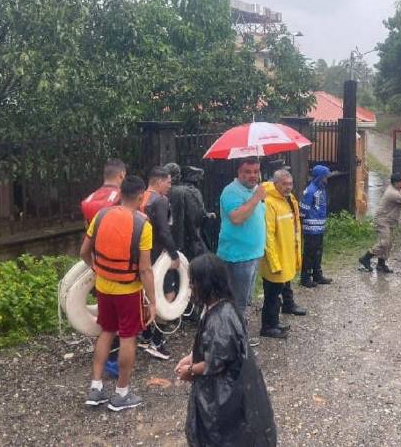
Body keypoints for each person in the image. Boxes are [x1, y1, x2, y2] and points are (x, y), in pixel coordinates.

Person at [178, 254, 276, 447]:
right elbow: (214, 348)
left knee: (223, 436)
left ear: (206, 284)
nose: (190, 286)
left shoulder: (220, 319)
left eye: (193, 282)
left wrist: (189, 371)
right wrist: (191, 357)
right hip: (235, 385)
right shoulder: (223, 307)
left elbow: (216, 362)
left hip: (226, 394)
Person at [81, 175, 157, 412]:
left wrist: (97, 269)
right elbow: (145, 269)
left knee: (106, 332)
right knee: (127, 336)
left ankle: (95, 388)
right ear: (141, 195)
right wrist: (153, 302)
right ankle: (121, 393)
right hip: (128, 291)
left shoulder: (101, 215)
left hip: (104, 287)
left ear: (120, 193)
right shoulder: (143, 224)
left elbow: (83, 251)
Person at [80, 158, 126, 377]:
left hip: (100, 265)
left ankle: (105, 355)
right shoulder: (119, 199)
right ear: (122, 176)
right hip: (121, 266)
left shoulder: (88, 200)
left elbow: (87, 236)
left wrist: (93, 265)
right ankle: (116, 360)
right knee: (122, 319)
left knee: (106, 315)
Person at [258, 170, 307, 339]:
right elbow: (268, 236)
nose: (288, 187)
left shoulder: (289, 199)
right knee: (271, 295)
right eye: (284, 184)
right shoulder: (269, 203)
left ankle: (275, 322)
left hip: (286, 254)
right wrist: (274, 262)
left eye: (290, 184)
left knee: (279, 290)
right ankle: (268, 327)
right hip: (276, 258)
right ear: (275, 183)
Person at [139, 166, 181, 360]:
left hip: (142, 254)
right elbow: (164, 231)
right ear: (159, 181)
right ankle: (157, 341)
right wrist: (174, 255)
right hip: (158, 254)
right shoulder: (160, 200)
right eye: (169, 182)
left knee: (147, 295)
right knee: (168, 295)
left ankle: (145, 335)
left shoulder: (141, 198)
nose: (170, 186)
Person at [217, 158, 267, 320]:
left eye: (256, 171)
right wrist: (256, 198)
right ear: (238, 172)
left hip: (253, 253)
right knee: (237, 302)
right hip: (237, 256)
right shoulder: (231, 191)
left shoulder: (254, 190)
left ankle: (237, 335)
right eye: (247, 172)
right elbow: (237, 218)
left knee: (245, 300)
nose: (253, 175)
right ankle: (236, 339)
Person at [359, 172, 401, 273]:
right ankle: (365, 258)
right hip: (382, 220)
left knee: (389, 243)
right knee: (384, 243)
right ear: (397, 182)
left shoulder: (398, 188)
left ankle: (381, 264)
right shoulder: (393, 193)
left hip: (389, 220)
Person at [299, 164, 332, 287]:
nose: (326, 179)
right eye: (325, 177)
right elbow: (303, 209)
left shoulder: (322, 189)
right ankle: (305, 277)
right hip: (310, 228)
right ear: (319, 177)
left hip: (319, 227)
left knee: (318, 252)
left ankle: (317, 275)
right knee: (309, 253)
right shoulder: (310, 190)